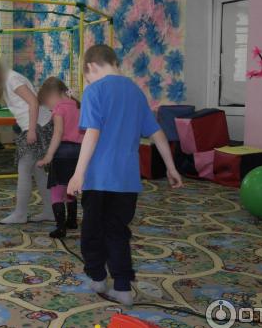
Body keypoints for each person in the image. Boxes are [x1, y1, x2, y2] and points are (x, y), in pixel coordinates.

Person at [67, 45, 183, 306]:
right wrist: (171, 167)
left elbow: (92, 132)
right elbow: (156, 133)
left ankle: (97, 277)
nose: (88, 81)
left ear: (90, 67)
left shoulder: (94, 90)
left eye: (87, 76)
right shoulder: (136, 92)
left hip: (98, 179)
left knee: (92, 231)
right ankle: (122, 287)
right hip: (127, 181)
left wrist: (78, 173)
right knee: (117, 232)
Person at [0, 55, 54, 224]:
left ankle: (20, 214)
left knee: (24, 168)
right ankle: (50, 210)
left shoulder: (12, 79)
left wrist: (32, 130)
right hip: (36, 125)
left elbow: (33, 103)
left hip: (39, 126)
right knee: (37, 170)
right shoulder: (5, 81)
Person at [36, 77, 83, 239]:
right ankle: (72, 221)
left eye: (47, 103)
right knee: (71, 187)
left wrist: (48, 156)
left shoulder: (59, 110)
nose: (49, 108)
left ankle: (61, 227)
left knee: (57, 191)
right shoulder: (78, 106)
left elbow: (58, 133)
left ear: (53, 95)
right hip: (79, 153)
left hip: (62, 152)